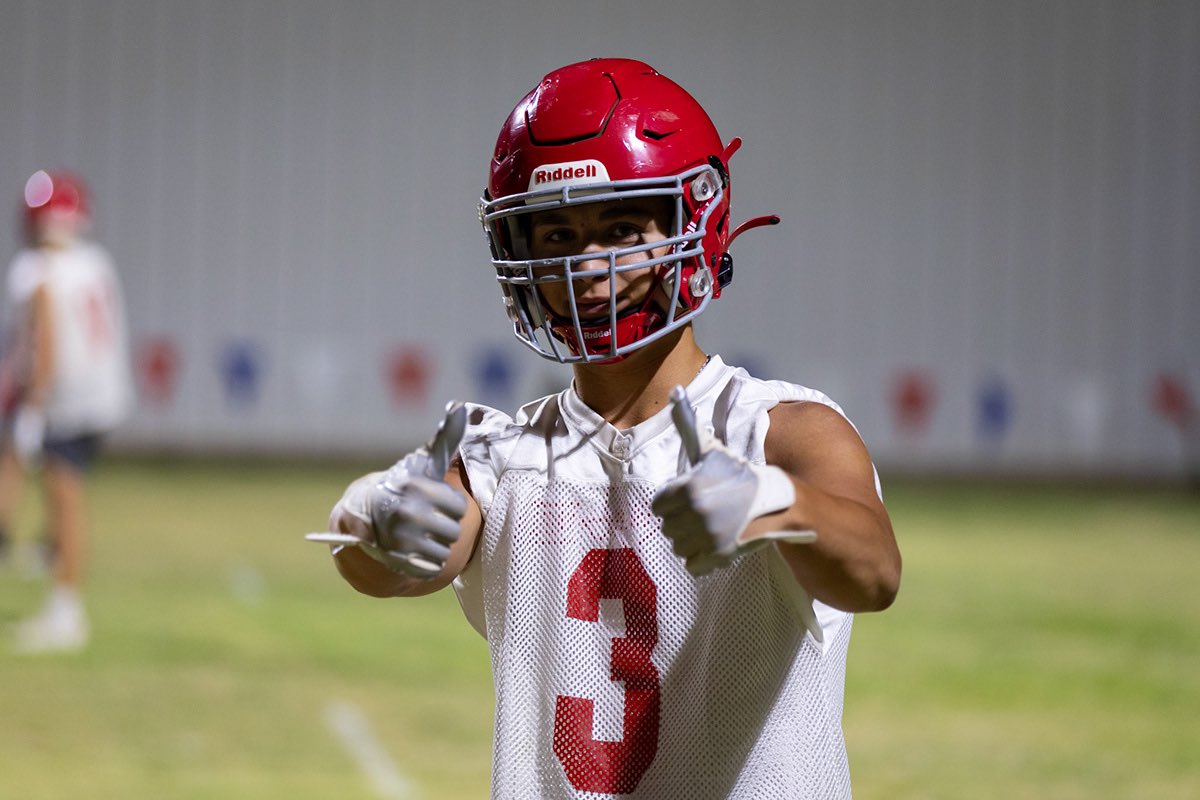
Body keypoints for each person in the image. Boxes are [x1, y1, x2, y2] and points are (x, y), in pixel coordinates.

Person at [316, 58, 901, 798]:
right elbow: (386, 567)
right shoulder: (506, 457)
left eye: (622, 227)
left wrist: (771, 503)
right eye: (556, 234)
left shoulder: (779, 430)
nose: (586, 269)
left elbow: (875, 573)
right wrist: (373, 511)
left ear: (696, 224)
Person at [0, 170, 134, 653]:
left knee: (65, 504)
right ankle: (58, 596)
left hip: (66, 401)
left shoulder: (37, 272)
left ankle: (65, 611)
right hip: (101, 399)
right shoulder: (95, 262)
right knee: (65, 504)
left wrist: (32, 407)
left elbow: (46, 343)